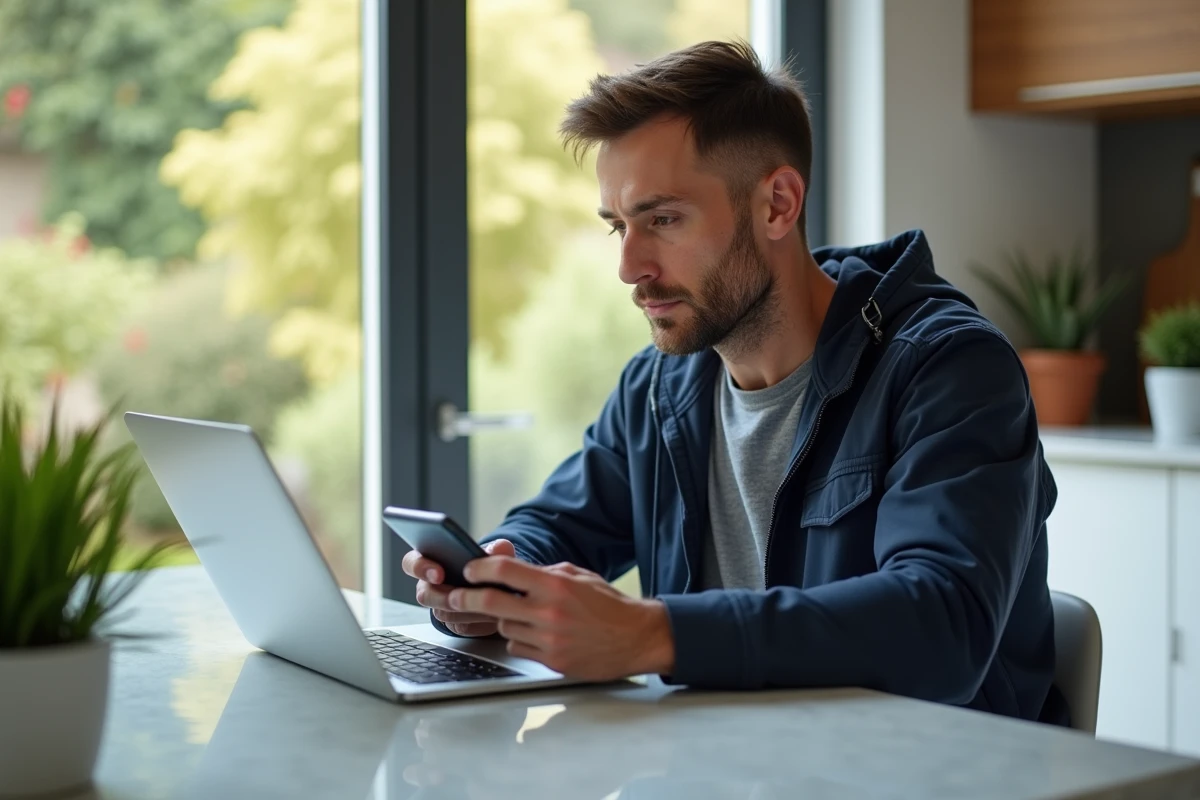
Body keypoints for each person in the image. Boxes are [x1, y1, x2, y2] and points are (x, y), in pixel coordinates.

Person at [403, 40, 1067, 725]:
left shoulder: (947, 368)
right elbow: (554, 524)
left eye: (662, 219)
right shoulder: (663, 386)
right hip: (727, 766)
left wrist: (653, 634)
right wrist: (491, 582)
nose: (630, 266)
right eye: (618, 227)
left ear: (777, 204)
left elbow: (941, 627)